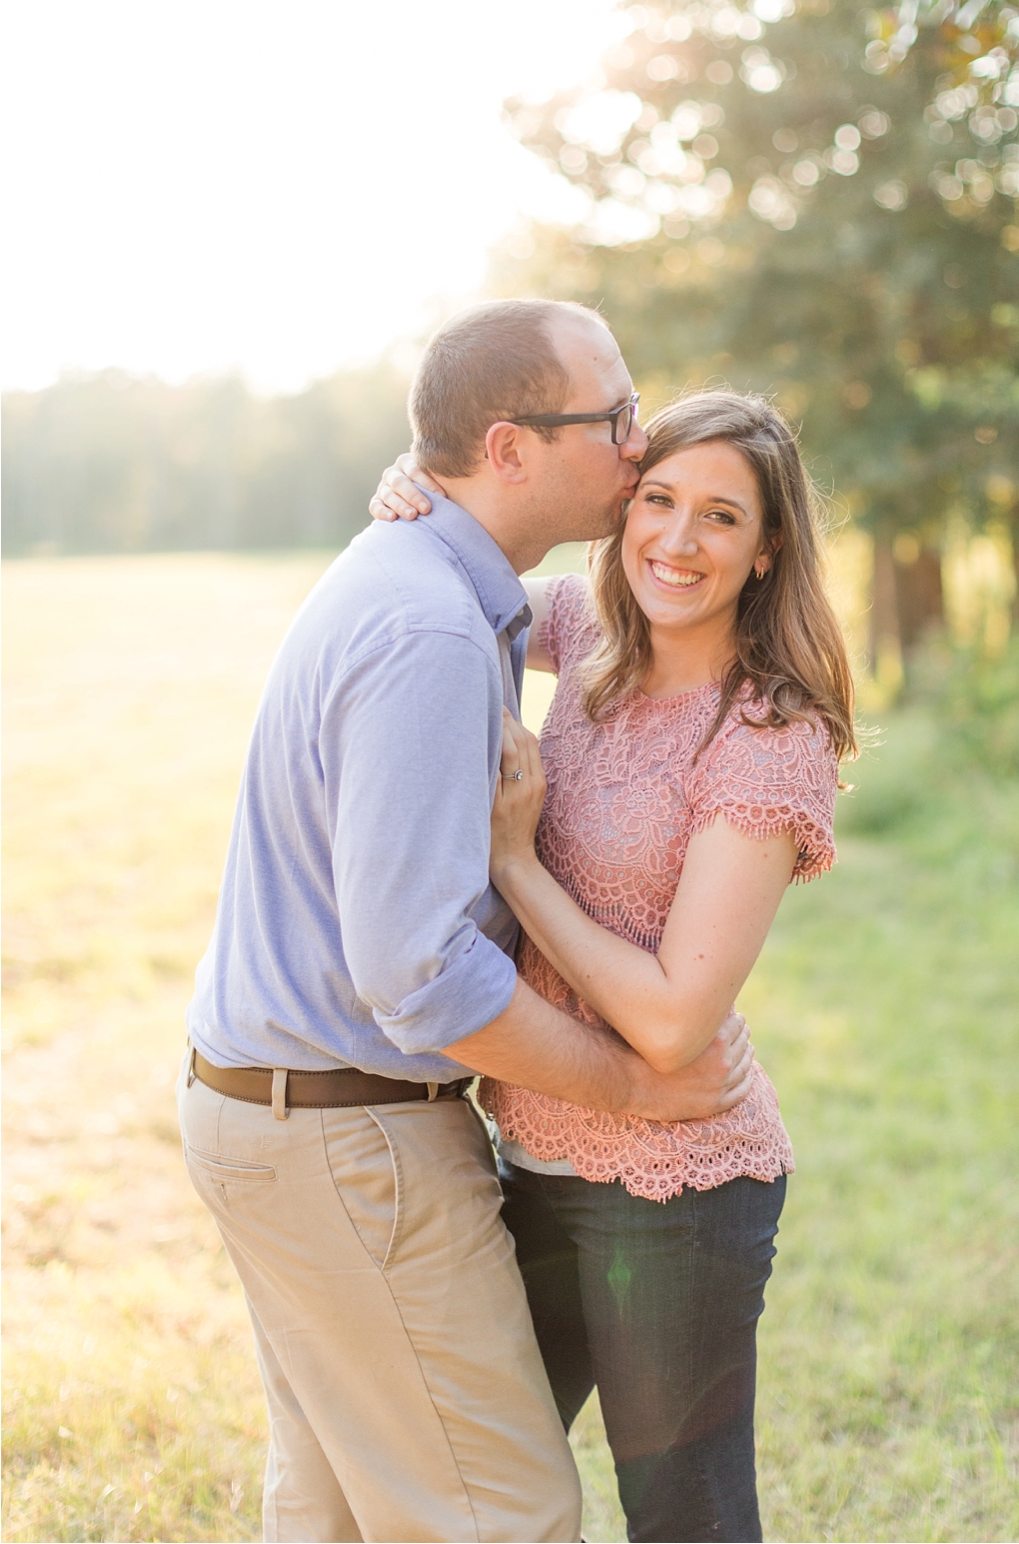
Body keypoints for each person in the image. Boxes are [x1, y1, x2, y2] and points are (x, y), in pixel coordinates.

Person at [179, 299, 756, 1544]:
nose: (638, 445)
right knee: (507, 1517)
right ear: (507, 448)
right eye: (614, 418)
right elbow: (420, 975)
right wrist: (636, 1091)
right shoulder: (431, 626)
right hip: (348, 1142)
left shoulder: (439, 580)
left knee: (335, 1505)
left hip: (280, 1117)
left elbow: (636, 609)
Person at [372, 388, 856, 1543]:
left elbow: (676, 1019)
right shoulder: (587, 630)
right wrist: (414, 487)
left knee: (682, 1517)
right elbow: (462, 573)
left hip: (680, 1192)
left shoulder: (767, 735)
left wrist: (516, 861)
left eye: (721, 518)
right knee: (464, 1479)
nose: (678, 543)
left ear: (767, 546)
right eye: (659, 500)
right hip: (529, 1157)